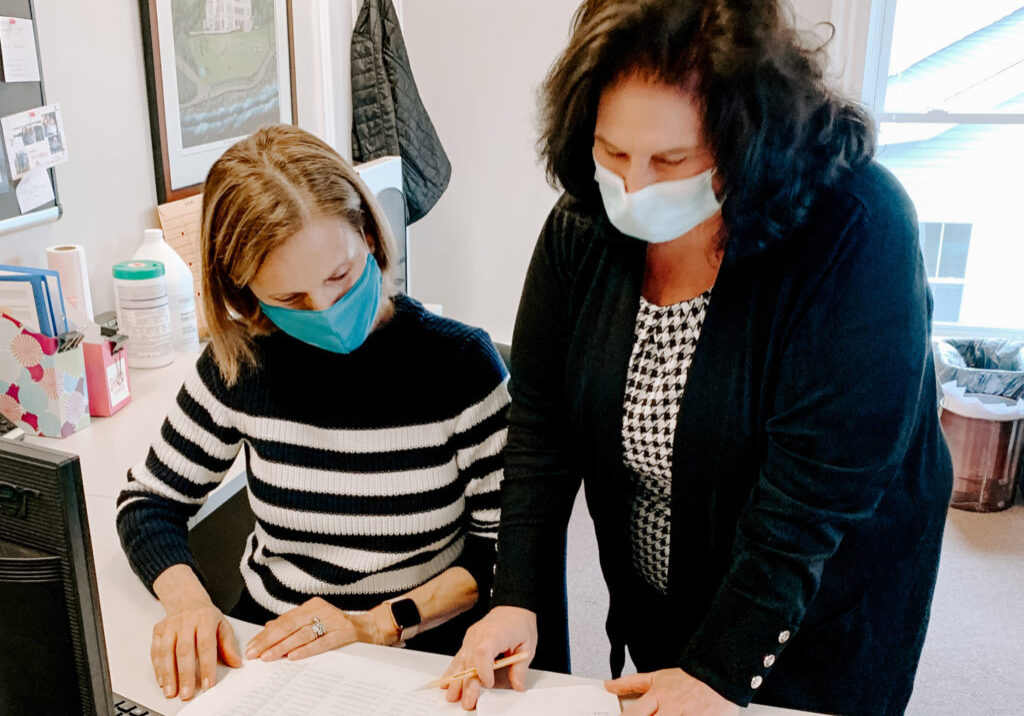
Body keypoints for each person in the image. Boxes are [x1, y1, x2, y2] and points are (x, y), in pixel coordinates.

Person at [445, 1, 953, 715]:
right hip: (663, 580)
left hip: (813, 597)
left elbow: (811, 499)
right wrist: (517, 597)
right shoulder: (585, 222)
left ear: (748, 140)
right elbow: (540, 426)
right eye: (612, 152)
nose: (635, 185)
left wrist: (721, 668)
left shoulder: (855, 227)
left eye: (672, 160)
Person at [116, 125, 509, 702]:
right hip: (271, 651)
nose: (325, 310)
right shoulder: (241, 363)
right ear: (246, 294)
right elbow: (149, 503)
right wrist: (189, 604)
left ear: (370, 237)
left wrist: (375, 624)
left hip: (415, 655)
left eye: (340, 276)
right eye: (292, 300)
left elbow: (500, 553)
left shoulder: (461, 366)